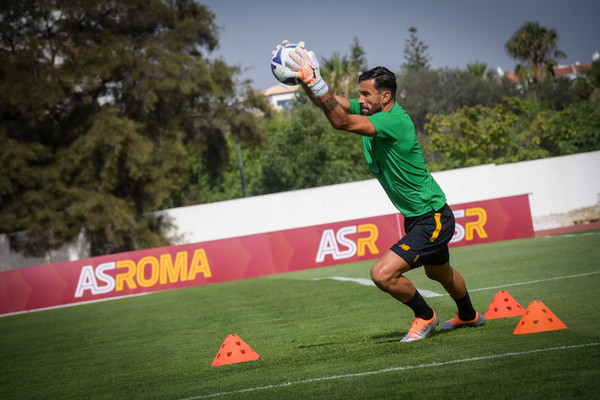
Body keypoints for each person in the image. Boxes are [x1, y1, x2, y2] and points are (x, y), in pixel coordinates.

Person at [278, 41, 485, 342]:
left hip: (433, 217)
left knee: (382, 274)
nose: (360, 99)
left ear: (385, 96)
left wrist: (315, 81)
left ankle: (425, 316)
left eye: (365, 94)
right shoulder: (374, 111)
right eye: (359, 93)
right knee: (438, 274)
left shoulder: (393, 121)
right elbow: (331, 104)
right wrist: (306, 80)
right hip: (419, 217)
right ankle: (468, 315)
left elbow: (340, 121)